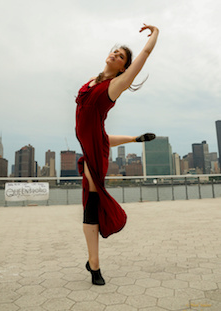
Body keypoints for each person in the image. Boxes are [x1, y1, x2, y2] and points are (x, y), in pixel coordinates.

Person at [75, 24, 159, 285]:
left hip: (93, 155)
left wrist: (155, 33)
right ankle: (93, 263)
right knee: (92, 202)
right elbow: (102, 137)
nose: (114, 54)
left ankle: (95, 266)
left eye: (121, 56)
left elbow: (144, 54)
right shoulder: (92, 81)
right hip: (93, 144)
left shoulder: (116, 85)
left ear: (124, 68)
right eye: (114, 51)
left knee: (91, 202)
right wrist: (134, 138)